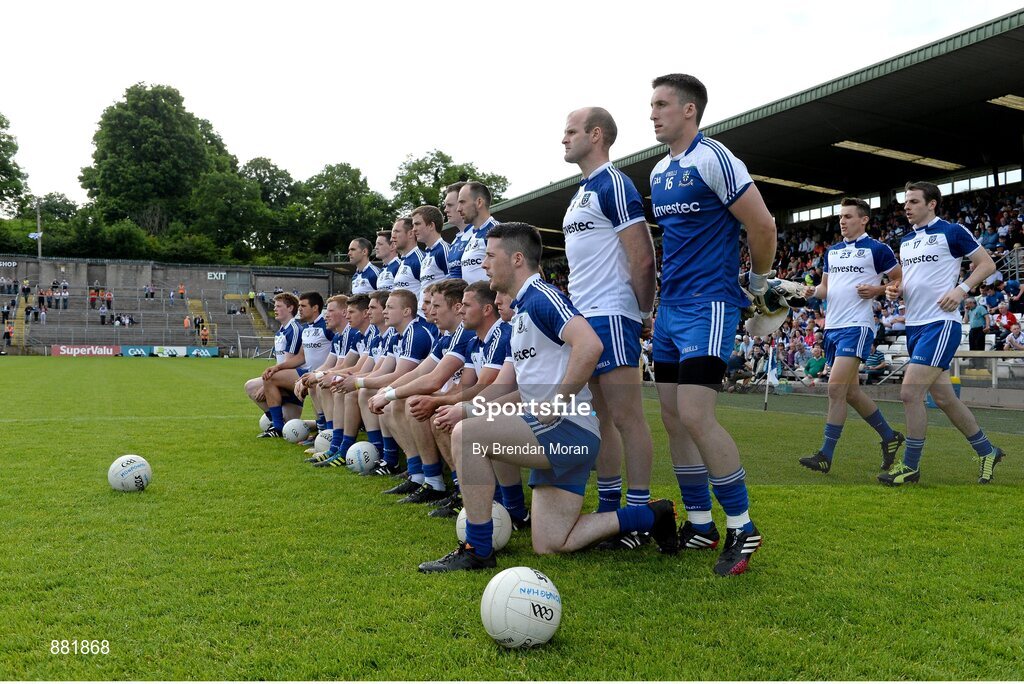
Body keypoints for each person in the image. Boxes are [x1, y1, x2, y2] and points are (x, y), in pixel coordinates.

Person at [417, 222, 677, 574]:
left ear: (518, 259)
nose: (485, 264)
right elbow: (526, 392)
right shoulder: (524, 311)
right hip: (562, 439)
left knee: (468, 435)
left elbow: (590, 344)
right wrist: (465, 406)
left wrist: (558, 402)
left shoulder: (543, 297)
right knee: (552, 543)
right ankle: (652, 515)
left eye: (491, 256)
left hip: (568, 433)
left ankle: (477, 550)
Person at [647, 74, 776, 575]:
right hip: (671, 309)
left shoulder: (715, 157)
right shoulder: (659, 172)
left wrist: (760, 282)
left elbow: (761, 224)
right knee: (674, 419)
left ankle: (742, 526)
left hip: (711, 304)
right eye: (651, 104)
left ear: (689, 111)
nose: (653, 113)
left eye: (661, 104)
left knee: (697, 415)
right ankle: (701, 524)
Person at [561, 106, 658, 551]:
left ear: (596, 135)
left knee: (627, 417)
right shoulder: (582, 191)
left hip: (613, 313)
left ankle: (637, 517)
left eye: (571, 131)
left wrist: (640, 314)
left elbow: (642, 256)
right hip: (585, 318)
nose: (563, 139)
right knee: (600, 420)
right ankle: (610, 510)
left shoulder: (614, 184)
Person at [882, 181, 1004, 486]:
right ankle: (987, 451)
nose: (906, 207)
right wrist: (897, 291)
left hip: (940, 324)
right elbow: (912, 282)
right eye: (905, 202)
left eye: (912, 201)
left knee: (910, 392)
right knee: (946, 400)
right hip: (915, 326)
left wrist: (961, 290)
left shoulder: (952, 231)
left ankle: (910, 466)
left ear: (932, 203)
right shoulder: (907, 241)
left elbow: (986, 264)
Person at [798, 197, 904, 474]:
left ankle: (825, 455)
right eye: (841, 217)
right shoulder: (832, 251)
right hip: (832, 327)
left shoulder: (876, 249)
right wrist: (812, 293)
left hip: (857, 326)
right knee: (852, 392)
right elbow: (825, 289)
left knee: (835, 388)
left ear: (863, 219)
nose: (842, 221)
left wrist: (878, 290)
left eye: (848, 216)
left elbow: (900, 279)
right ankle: (890, 437)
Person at [259, 292, 331, 437]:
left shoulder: (327, 327)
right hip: (308, 374)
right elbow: (301, 357)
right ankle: (279, 426)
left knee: (272, 379)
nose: (300, 309)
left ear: (315, 308)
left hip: (324, 374)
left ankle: (323, 431)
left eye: (303, 306)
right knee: (269, 377)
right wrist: (277, 367)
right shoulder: (307, 329)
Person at [457, 182, 498, 285]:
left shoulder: (496, 231)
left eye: (462, 202)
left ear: (479, 202)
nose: (458, 209)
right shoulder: (473, 235)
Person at [411, 204, 450, 308]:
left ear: (431, 225)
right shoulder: (426, 254)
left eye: (417, 224)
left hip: (438, 316)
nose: (414, 229)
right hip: (425, 315)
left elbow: (452, 287)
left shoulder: (443, 250)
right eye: (413, 225)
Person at [443, 181, 472, 280]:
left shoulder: (484, 232)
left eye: (450, 205)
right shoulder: (454, 242)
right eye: (445, 206)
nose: (445, 210)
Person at [391, 217, 424, 299]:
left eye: (397, 232)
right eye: (393, 232)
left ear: (410, 234)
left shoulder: (420, 259)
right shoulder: (403, 261)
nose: (392, 238)